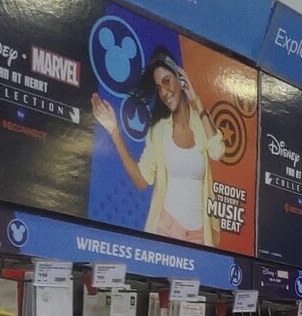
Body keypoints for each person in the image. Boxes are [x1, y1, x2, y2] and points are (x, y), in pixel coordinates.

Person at [91, 48, 223, 245]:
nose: (164, 92)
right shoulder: (159, 130)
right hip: (166, 230)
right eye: (159, 87)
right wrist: (115, 132)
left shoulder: (201, 121)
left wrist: (195, 99)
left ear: (180, 78)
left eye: (167, 81)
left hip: (200, 236)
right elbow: (142, 181)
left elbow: (218, 152)